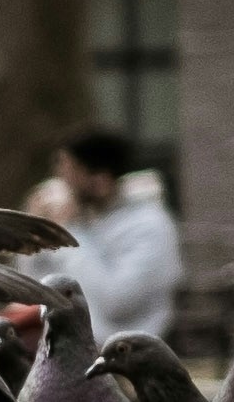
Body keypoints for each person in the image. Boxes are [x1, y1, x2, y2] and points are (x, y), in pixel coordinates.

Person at [35, 126, 181, 343]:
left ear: (100, 180)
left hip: (126, 350)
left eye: (69, 175)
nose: (61, 185)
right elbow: (35, 283)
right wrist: (35, 231)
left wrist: (67, 235)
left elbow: (117, 303)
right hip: (70, 346)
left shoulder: (149, 226)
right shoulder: (87, 221)